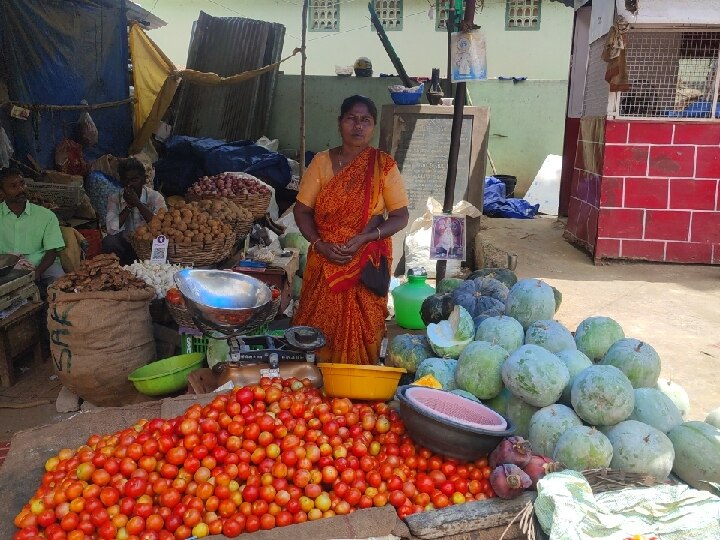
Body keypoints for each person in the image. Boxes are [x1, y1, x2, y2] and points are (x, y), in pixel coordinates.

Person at [292, 95, 410, 365]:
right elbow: (302, 210)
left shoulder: (383, 166)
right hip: (325, 258)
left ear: (373, 126)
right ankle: (314, 386)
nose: (358, 126)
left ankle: (358, 382)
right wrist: (319, 243)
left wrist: (366, 237)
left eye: (365, 120)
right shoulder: (321, 162)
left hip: (366, 260)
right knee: (317, 328)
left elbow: (400, 215)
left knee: (363, 325)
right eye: (351, 119)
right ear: (340, 123)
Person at [0, 168, 65, 296]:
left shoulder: (46, 216)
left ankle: (56, 314)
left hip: (42, 264)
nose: (21, 189)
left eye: (22, 183)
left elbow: (52, 252)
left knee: (59, 279)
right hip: (7, 268)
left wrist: (37, 273)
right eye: (13, 186)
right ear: (1, 192)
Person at [103, 157, 166, 265]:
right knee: (109, 242)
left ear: (143, 180)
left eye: (134, 180)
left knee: (162, 240)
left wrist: (138, 203)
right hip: (126, 246)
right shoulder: (114, 198)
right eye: (126, 180)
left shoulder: (155, 197)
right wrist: (128, 206)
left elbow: (162, 226)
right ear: (121, 181)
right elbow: (111, 229)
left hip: (148, 246)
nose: (130, 184)